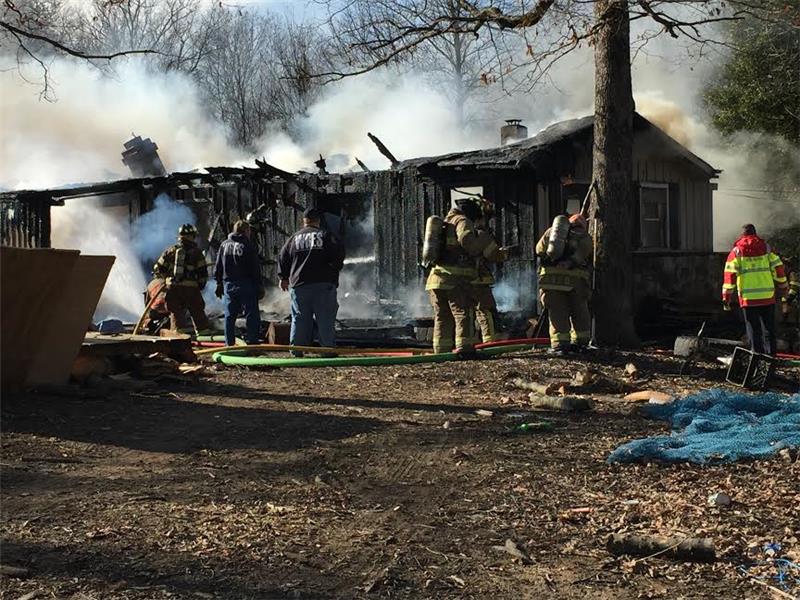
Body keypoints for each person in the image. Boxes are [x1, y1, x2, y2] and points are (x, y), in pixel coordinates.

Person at [426, 197, 509, 354]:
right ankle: (465, 349)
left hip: (436, 279)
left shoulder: (445, 222)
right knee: (463, 313)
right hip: (455, 279)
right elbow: (467, 242)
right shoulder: (463, 221)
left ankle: (441, 352)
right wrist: (482, 239)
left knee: (442, 317)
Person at [277, 208, 345, 355]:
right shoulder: (326, 235)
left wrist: (283, 277)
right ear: (318, 221)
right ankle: (327, 350)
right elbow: (338, 253)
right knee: (325, 318)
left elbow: (282, 256)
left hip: (299, 285)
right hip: (323, 285)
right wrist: (334, 269)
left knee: (300, 319)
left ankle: (296, 351)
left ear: (304, 221)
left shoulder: (293, 238)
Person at [722, 224, 788, 355]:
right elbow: (779, 269)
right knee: (769, 329)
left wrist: (726, 299)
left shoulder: (736, 252)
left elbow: (730, 277)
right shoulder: (767, 248)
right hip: (767, 297)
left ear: (742, 235)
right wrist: (783, 287)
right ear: (755, 233)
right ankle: (771, 361)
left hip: (748, 299)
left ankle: (757, 359)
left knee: (753, 329)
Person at [535, 213, 593, 354]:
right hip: (576, 283)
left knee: (557, 312)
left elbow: (539, 250)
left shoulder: (551, 232)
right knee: (580, 312)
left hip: (551, 282)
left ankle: (560, 345)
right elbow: (582, 256)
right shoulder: (584, 237)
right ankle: (581, 343)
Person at [153, 223, 211, 334]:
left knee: (176, 314)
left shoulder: (170, 251)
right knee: (198, 312)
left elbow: (158, 268)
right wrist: (200, 285)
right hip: (191, 289)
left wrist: (167, 280)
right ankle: (203, 337)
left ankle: (178, 337)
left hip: (173, 289)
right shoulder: (197, 253)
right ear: (193, 236)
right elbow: (202, 273)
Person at [214, 220, 263, 346]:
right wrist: (259, 285)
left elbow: (218, 266)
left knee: (229, 316)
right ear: (246, 231)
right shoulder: (248, 245)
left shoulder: (224, 245)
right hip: (246, 284)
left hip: (228, 284)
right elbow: (255, 267)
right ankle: (252, 341)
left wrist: (219, 283)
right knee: (251, 314)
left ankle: (228, 343)